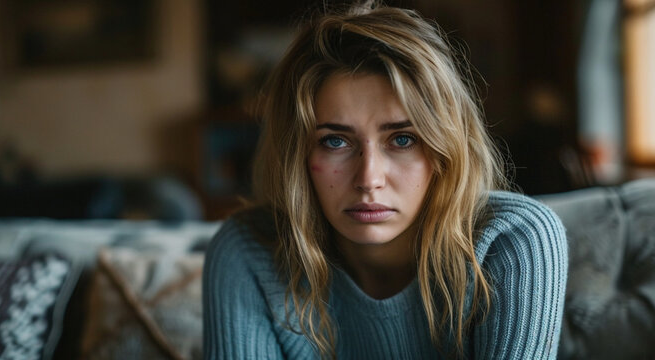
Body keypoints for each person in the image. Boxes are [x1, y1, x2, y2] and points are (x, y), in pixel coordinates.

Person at [203, 3, 568, 359]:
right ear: (296, 153)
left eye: (403, 139)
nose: (369, 179)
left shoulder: (512, 241)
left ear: (446, 149)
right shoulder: (247, 253)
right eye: (335, 141)